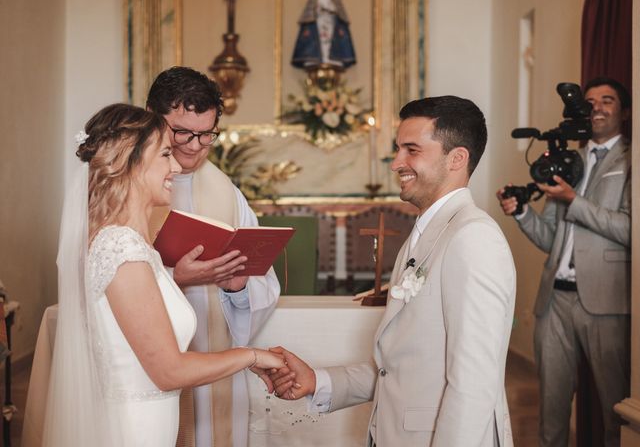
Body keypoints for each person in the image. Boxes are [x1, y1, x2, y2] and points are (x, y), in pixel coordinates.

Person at [269, 96, 516, 447]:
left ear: (457, 158)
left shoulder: (473, 238)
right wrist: (318, 381)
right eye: (398, 149)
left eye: (411, 150)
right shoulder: (424, 236)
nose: (397, 162)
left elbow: (474, 382)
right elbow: (401, 368)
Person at [43, 104, 284, 447]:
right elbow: (169, 371)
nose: (176, 166)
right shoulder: (122, 248)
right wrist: (253, 356)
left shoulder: (129, 243)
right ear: (130, 160)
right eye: (166, 154)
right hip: (132, 430)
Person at [146, 66, 281, 447]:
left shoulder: (225, 192)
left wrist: (238, 288)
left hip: (214, 363)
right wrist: (177, 278)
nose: (194, 145)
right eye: (182, 132)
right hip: (151, 366)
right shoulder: (130, 183)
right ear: (153, 120)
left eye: (207, 134)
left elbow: (263, 282)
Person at [496, 77, 631, 447]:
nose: (597, 107)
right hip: (553, 300)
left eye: (608, 100)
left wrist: (575, 200)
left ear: (625, 111)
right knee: (551, 409)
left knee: (614, 410)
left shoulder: (631, 159)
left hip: (607, 303)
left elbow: (632, 229)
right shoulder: (566, 160)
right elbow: (550, 239)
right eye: (590, 101)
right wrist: (522, 212)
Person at [291, 0, 356, 69]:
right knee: (320, 39)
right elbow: (312, 8)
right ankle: (319, 57)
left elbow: (336, 8)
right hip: (319, 21)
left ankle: (329, 57)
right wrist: (319, 10)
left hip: (329, 20)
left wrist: (330, 10)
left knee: (329, 40)